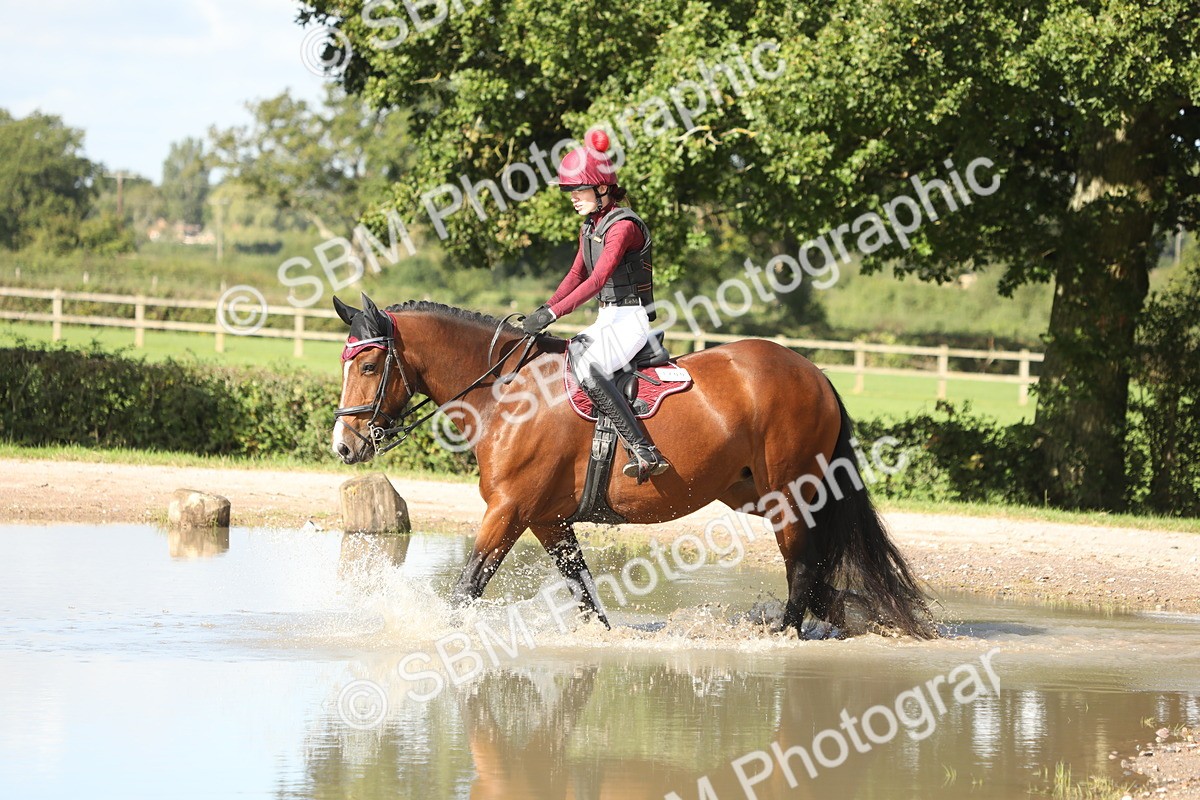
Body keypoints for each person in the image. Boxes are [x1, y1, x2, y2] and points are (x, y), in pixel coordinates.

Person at [520, 131, 670, 482]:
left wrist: (556, 314)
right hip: (608, 319)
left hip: (631, 319)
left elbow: (598, 280)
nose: (573, 198)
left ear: (602, 188)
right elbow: (576, 274)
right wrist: (544, 308)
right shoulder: (591, 227)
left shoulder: (624, 227)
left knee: (589, 370)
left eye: (579, 190)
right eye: (570, 192)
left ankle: (644, 451)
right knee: (566, 362)